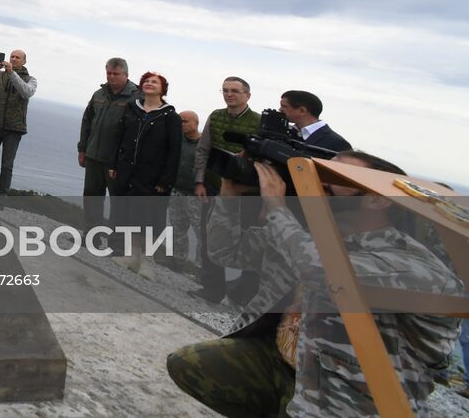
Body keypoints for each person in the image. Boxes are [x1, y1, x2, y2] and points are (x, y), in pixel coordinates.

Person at [167, 150, 462, 417]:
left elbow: (327, 274)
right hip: (288, 365)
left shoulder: (414, 265)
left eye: (331, 178)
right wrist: (229, 198)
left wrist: (277, 210)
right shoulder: (304, 235)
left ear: (377, 199)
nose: (316, 184)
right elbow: (226, 252)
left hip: (354, 398)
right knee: (193, 364)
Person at [191, 76, 264, 303]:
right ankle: (212, 289)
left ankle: (244, 296)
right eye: (225, 90)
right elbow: (203, 150)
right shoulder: (216, 116)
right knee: (209, 235)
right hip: (214, 186)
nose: (229, 94)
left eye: (234, 90)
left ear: (247, 95)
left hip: (247, 192)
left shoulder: (259, 122)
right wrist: (200, 182)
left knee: (249, 240)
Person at [109, 71, 181, 277]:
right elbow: (119, 137)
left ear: (162, 89)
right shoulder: (133, 109)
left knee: (150, 218)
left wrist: (166, 179)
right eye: (146, 81)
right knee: (130, 213)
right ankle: (132, 257)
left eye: (154, 82)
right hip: (128, 170)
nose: (149, 84)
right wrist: (114, 164)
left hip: (153, 176)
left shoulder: (170, 117)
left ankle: (146, 261)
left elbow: (174, 150)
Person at [77, 57, 137, 235]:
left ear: (126, 74)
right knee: (91, 198)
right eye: (109, 73)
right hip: (94, 156)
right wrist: (82, 149)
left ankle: (116, 243)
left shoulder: (136, 97)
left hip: (117, 161)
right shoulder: (99, 94)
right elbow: (87, 121)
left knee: (119, 202)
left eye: (116, 74)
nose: (111, 77)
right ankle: (91, 236)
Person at [0, 49, 38, 196]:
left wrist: (12, 74)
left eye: (17, 57)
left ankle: (1, 198)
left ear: (24, 61)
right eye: (12, 56)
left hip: (14, 128)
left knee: (6, 166)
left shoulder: (31, 79)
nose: (13, 59)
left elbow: (26, 92)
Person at [169, 110, 202, 264]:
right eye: (180, 121)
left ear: (196, 123)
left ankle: (202, 268)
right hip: (177, 190)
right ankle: (178, 260)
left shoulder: (204, 145)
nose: (182, 124)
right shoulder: (177, 140)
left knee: (201, 231)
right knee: (177, 227)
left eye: (185, 121)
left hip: (195, 195)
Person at [279, 89, 352, 152]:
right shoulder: (286, 132)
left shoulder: (338, 143)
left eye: (284, 106)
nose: (280, 109)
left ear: (302, 111)